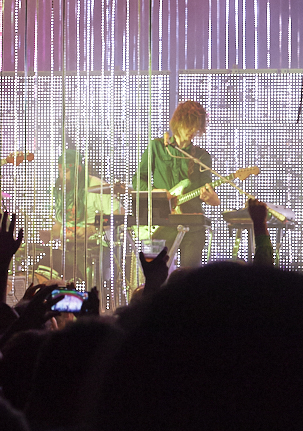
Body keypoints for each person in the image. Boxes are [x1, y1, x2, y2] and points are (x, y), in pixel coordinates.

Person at [132, 101, 220, 269]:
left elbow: (207, 187)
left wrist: (211, 197)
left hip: (192, 225)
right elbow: (138, 180)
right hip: (160, 222)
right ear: (179, 123)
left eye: (197, 127)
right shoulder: (156, 147)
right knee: (153, 273)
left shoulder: (201, 156)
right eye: (191, 126)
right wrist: (156, 192)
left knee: (190, 278)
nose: (194, 131)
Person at [51, 146, 123, 290]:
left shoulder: (96, 186)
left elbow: (120, 213)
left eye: (65, 171)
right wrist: (51, 234)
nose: (61, 176)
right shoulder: (61, 190)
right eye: (59, 171)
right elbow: (59, 223)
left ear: (77, 169)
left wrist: (93, 228)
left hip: (94, 247)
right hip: (68, 247)